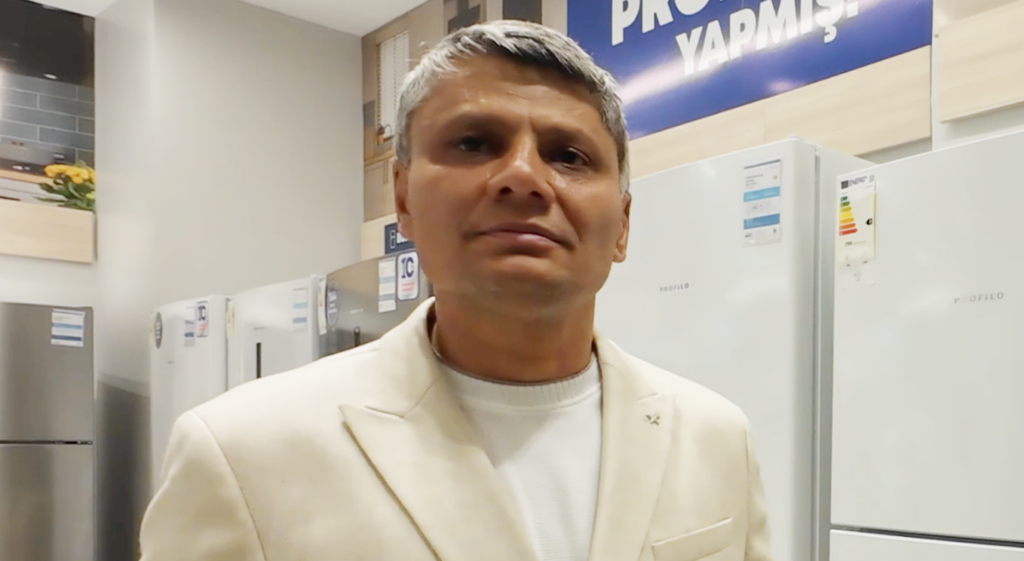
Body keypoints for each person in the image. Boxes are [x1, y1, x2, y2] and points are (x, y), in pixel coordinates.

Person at [139, 20, 772, 561]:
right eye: (474, 143)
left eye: (569, 156)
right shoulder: (241, 454)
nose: (524, 177)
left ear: (623, 225)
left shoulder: (715, 436)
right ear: (404, 199)